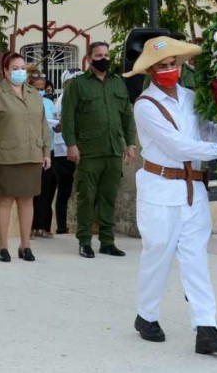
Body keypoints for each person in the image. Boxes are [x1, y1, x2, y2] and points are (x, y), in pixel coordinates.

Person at [123, 36, 217, 354]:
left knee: (196, 258)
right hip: (160, 189)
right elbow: (178, 146)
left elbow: (206, 130)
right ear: (151, 70)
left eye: (173, 64)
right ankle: (146, 316)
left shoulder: (191, 97)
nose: (170, 69)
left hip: (193, 189)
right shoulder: (145, 105)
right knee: (157, 255)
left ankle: (206, 327)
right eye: (163, 65)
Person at [61, 41, 137, 258]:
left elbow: (126, 116)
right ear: (89, 59)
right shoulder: (77, 85)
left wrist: (130, 144)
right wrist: (71, 144)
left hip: (114, 150)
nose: (103, 59)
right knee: (86, 197)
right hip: (88, 151)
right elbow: (68, 117)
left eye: (106, 54)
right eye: (98, 55)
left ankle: (107, 241)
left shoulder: (118, 83)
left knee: (108, 197)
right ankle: (84, 241)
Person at [0, 52, 51, 263]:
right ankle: (2, 246)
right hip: (5, 156)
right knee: (5, 200)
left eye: (22, 68)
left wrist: (46, 152)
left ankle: (25, 245)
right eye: (15, 68)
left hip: (31, 154)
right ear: (5, 71)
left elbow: (43, 125)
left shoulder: (33, 94)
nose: (20, 72)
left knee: (27, 200)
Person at [52, 69, 82, 234]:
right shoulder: (65, 99)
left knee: (66, 190)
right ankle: (62, 226)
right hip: (64, 151)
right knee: (64, 190)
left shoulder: (68, 98)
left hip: (67, 149)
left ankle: (63, 225)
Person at [29, 69, 58, 239]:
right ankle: (31, 226)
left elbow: (55, 119)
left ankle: (44, 226)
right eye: (37, 86)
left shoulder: (48, 103)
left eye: (42, 86)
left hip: (49, 149)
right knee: (32, 190)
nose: (40, 89)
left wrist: (57, 125)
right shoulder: (26, 100)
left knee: (47, 189)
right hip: (32, 151)